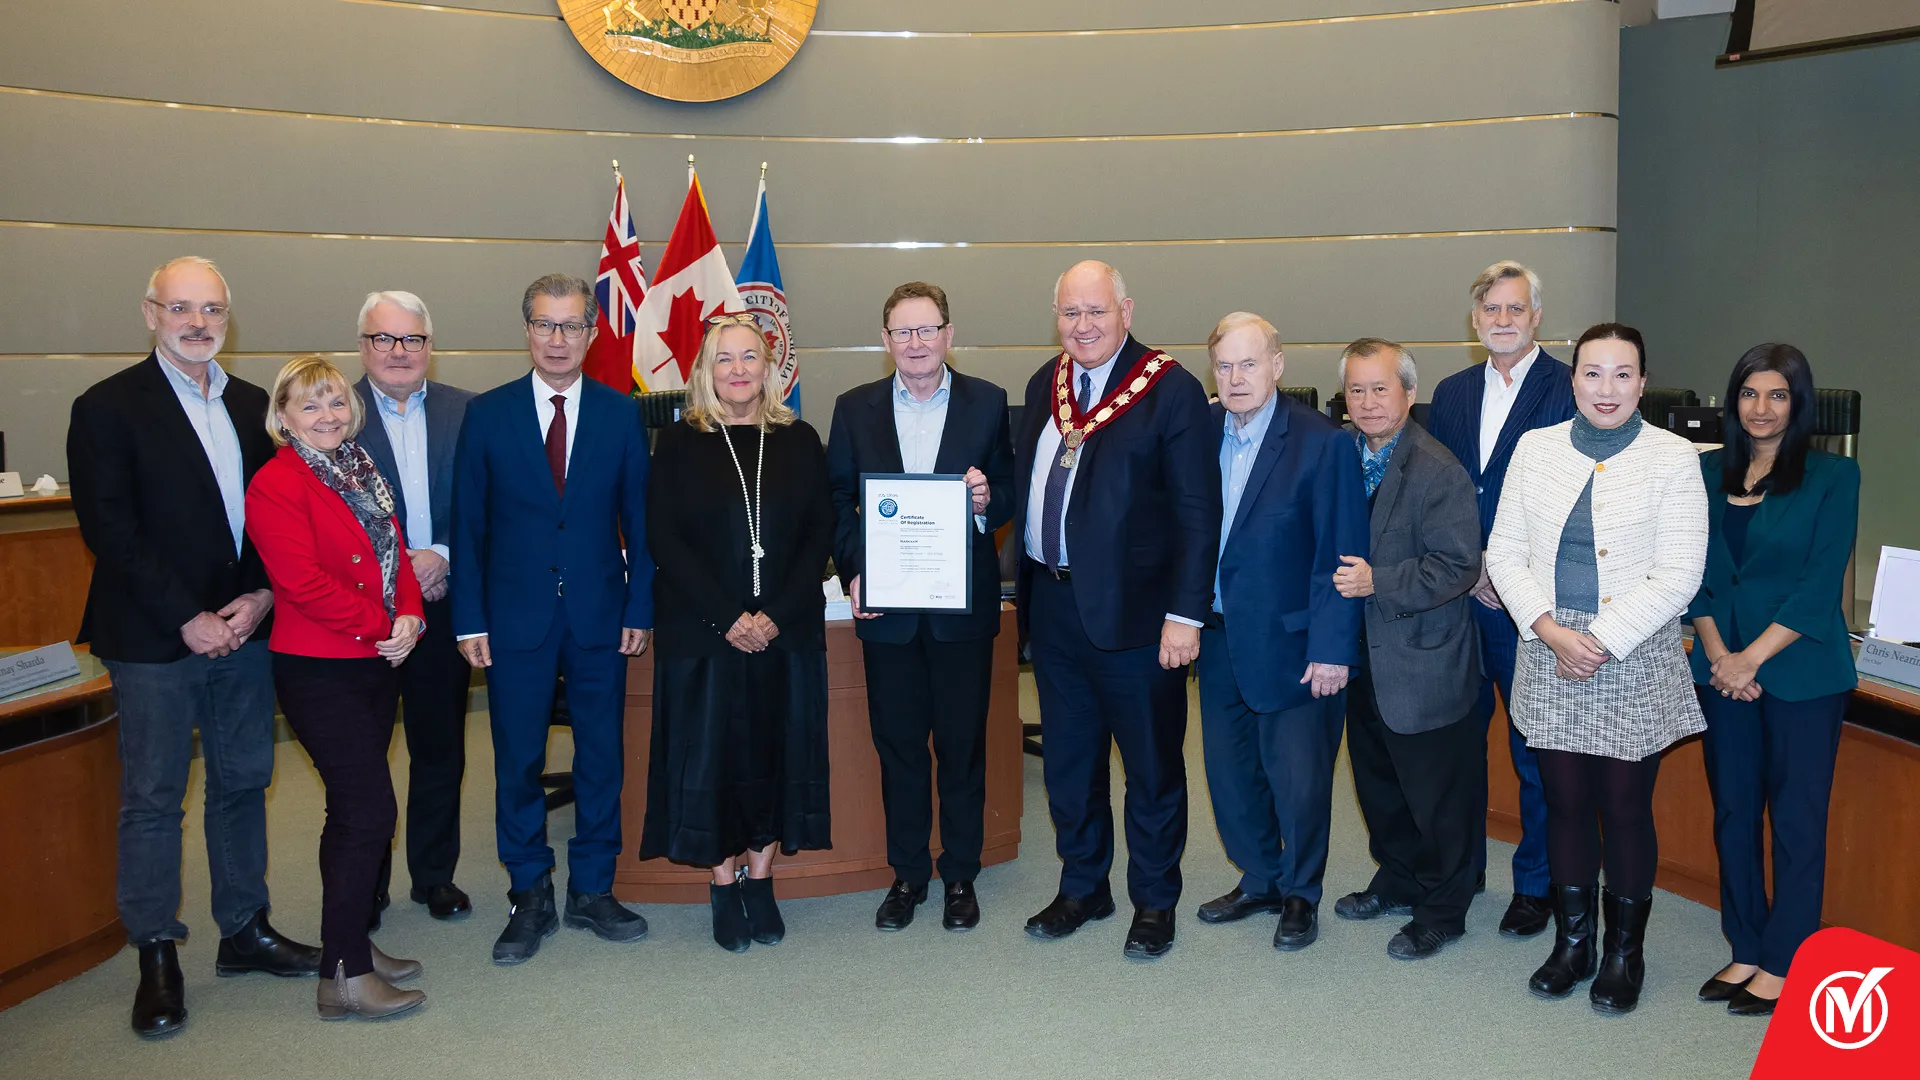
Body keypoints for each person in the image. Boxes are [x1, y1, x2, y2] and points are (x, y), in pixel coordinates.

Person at [66, 256, 319, 1039]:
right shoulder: (106, 408)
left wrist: (263, 596)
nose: (198, 323)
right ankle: (156, 951)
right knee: (153, 797)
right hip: (153, 638)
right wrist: (188, 616)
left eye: (212, 310)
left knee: (243, 780)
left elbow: (278, 514)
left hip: (244, 629)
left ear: (228, 318)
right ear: (150, 313)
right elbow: (110, 530)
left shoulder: (254, 406)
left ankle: (243, 929)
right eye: (181, 308)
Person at [1485, 322, 1707, 1014]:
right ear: (1571, 379)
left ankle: (1622, 953)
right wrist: (1550, 631)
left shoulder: (1674, 457)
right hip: (1549, 648)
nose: (1605, 388)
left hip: (1632, 654)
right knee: (1567, 805)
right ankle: (1573, 943)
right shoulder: (1536, 448)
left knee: (1624, 808)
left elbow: (1680, 574)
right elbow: (1505, 553)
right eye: (1592, 373)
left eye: (1621, 374)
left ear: (1642, 383)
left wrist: (1602, 639)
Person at [1015, 261, 1219, 961]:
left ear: (1126, 310)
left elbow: (1198, 514)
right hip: (1055, 606)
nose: (1083, 326)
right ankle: (1083, 887)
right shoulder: (1048, 382)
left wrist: (1186, 616)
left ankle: (1155, 902)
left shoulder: (1172, 391)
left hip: (1140, 621)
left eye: (1095, 311)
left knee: (1153, 770)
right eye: (1070, 313)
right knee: (1070, 765)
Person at [451, 274, 655, 964]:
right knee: (518, 761)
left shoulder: (622, 413)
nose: (559, 339)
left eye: (572, 326)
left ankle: (593, 888)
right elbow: (469, 524)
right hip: (513, 622)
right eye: (545, 325)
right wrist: (468, 619)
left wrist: (640, 605)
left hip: (602, 616)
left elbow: (642, 525)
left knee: (602, 759)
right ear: (527, 330)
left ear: (593, 333)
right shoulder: (488, 414)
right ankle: (529, 893)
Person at [640, 315, 836, 952]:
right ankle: (722, 882)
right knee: (711, 756)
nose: (739, 369)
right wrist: (728, 618)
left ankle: (761, 877)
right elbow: (665, 541)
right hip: (703, 634)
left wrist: (775, 613)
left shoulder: (801, 439)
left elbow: (819, 536)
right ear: (704, 370)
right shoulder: (677, 443)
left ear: (770, 366)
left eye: (750, 356)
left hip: (786, 630)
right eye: (724, 359)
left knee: (777, 753)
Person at [826, 283, 1015, 932]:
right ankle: (907, 874)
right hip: (891, 615)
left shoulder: (989, 403)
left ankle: (960, 874)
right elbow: (837, 503)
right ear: (885, 341)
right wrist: (856, 569)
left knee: (962, 747)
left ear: (948, 334)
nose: (915, 343)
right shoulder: (854, 409)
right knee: (900, 748)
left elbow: (1011, 491)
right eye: (902, 332)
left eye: (926, 330)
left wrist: (989, 498)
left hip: (960, 611)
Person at [245, 355, 429, 1020]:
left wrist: (411, 615)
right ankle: (343, 978)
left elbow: (394, 549)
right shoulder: (276, 482)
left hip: (376, 661)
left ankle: (349, 943)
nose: (326, 415)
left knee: (350, 813)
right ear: (283, 417)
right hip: (320, 667)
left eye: (333, 402)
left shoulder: (361, 467)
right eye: (309, 405)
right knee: (369, 812)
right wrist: (387, 623)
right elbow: (302, 585)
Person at [1689, 344, 1859, 1017]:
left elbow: (1819, 586)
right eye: (1750, 394)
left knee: (1795, 818)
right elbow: (1692, 574)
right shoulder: (1703, 472)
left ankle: (1788, 957)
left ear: (1799, 404)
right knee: (1732, 812)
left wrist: (1749, 659)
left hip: (1800, 674)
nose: (1762, 409)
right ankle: (1746, 944)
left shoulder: (1833, 476)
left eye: (1778, 396)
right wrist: (1719, 655)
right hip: (1720, 668)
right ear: (1733, 401)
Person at [1193, 313, 1366, 953]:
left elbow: (1341, 556)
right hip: (1216, 638)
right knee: (1229, 774)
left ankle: (1300, 893)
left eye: (1249, 363)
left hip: (1297, 646)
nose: (1236, 378)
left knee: (1298, 780)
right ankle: (1260, 876)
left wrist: (1332, 650)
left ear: (1278, 365)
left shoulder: (1323, 444)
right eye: (1224, 366)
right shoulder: (1201, 431)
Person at [1425, 260, 1576, 939]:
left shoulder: (1568, 389)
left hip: (1531, 604)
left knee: (1531, 748)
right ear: (1475, 319)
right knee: (1458, 745)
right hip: (1462, 598)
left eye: (1516, 309)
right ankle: (1460, 874)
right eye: (1492, 310)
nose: (1504, 320)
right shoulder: (1453, 392)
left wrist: (1506, 568)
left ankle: (1536, 884)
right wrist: (1472, 565)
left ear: (1536, 317)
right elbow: (1445, 489)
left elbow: (1570, 499)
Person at [1327, 339, 1484, 959]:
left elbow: (1458, 567)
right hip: (1363, 656)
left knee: (1436, 793)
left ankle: (1445, 905)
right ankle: (1397, 875)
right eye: (1356, 390)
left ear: (1409, 393)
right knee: (1379, 783)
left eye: (1380, 389)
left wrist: (1378, 581)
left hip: (1423, 657)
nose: (1367, 402)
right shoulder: (1343, 456)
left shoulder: (1437, 468)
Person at [353, 291, 478, 923]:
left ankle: (434, 875)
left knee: (440, 749)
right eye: (384, 339)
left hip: (446, 605)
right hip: (362, 617)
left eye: (412, 340)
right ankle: (366, 883)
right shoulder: (330, 412)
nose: (398, 352)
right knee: (363, 756)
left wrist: (445, 555)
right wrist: (406, 567)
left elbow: (490, 503)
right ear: (363, 346)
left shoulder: (467, 411)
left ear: (430, 346)